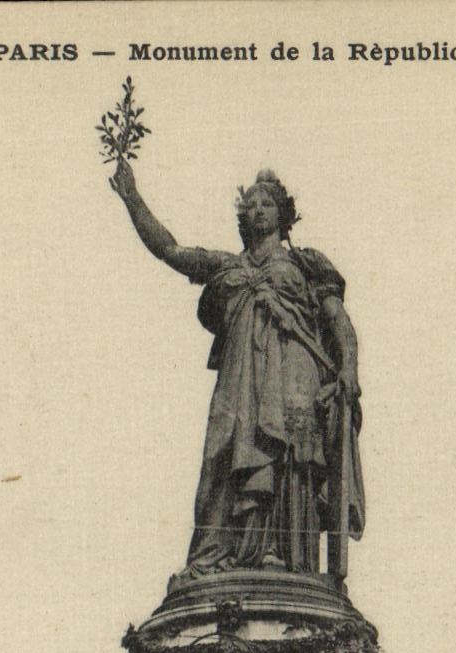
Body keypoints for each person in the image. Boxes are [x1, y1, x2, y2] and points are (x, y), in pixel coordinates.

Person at [111, 159, 364, 577]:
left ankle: (282, 556)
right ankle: (225, 552)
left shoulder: (306, 265)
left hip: (292, 373)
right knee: (226, 451)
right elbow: (172, 251)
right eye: (251, 203)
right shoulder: (228, 266)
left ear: (284, 214)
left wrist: (349, 368)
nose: (259, 208)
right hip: (240, 379)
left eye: (268, 202)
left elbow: (338, 321)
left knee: (286, 459)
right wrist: (132, 198)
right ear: (243, 216)